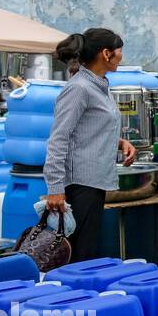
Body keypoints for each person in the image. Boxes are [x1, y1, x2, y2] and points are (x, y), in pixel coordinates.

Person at [43, 29, 136, 261]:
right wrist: (55, 188)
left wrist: (119, 142)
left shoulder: (99, 85)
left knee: (86, 251)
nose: (121, 56)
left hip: (95, 180)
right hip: (79, 184)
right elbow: (59, 138)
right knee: (78, 255)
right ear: (106, 53)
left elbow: (87, 131)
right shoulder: (79, 88)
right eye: (119, 51)